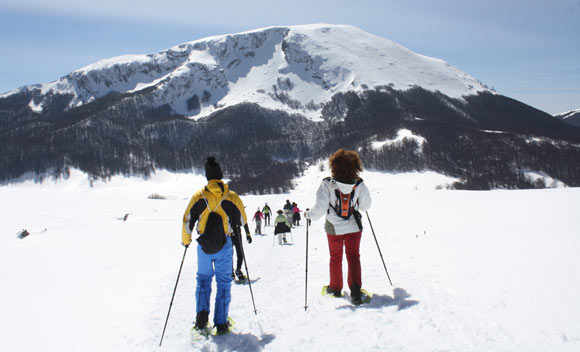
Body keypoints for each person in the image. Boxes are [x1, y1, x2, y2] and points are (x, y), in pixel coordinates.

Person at [182, 156, 252, 333]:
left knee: (203, 280)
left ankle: (201, 318)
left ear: (207, 177)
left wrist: (186, 240)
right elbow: (242, 219)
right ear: (220, 176)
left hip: (204, 246)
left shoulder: (199, 196)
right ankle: (221, 322)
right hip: (225, 245)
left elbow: (187, 220)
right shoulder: (231, 197)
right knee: (223, 282)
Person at [306, 149, 372, 304]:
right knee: (354, 257)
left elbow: (320, 209)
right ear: (356, 166)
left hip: (333, 228)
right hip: (354, 227)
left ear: (334, 166)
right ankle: (356, 290)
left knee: (335, 257)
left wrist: (308, 215)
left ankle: (335, 289)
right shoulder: (359, 184)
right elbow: (365, 206)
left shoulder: (327, 184)